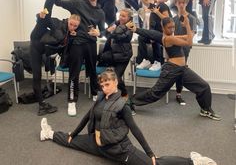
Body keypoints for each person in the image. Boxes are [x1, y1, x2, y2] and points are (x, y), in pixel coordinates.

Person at [39, 68, 217, 165]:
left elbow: (135, 129)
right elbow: (87, 116)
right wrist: (74, 133)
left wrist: (150, 152)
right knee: (70, 141)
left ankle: (193, 161)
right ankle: (49, 133)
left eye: (108, 84)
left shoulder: (122, 105)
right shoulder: (101, 98)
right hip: (97, 143)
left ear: (116, 82)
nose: (105, 88)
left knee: (154, 164)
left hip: (118, 148)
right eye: (102, 85)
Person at [126, 17, 221, 121]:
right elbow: (189, 42)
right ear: (163, 27)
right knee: (155, 93)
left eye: (173, 27)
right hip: (171, 70)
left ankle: (206, 109)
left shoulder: (171, 36)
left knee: (204, 86)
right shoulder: (168, 38)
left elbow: (151, 33)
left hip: (182, 69)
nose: (171, 30)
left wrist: (137, 29)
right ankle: (130, 101)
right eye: (169, 27)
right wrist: (188, 25)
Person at [53, 0, 105, 116]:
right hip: (77, 44)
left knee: (92, 70)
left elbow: (103, 31)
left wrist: (99, 33)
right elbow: (58, 2)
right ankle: (71, 101)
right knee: (74, 73)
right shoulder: (77, 3)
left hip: (91, 44)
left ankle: (95, 93)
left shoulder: (100, 12)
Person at [30, 0, 80, 116]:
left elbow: (64, 50)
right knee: (45, 15)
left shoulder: (69, 35)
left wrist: (70, 39)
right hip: (37, 37)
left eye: (75, 26)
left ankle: (41, 105)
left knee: (37, 76)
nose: (72, 27)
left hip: (41, 46)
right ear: (68, 21)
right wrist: (40, 17)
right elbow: (46, 20)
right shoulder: (60, 23)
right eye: (71, 24)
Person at [100, 8, 133, 97]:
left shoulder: (131, 27)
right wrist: (109, 31)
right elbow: (107, 34)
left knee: (117, 77)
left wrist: (112, 31)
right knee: (110, 77)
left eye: (124, 16)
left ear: (129, 18)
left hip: (123, 56)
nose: (121, 18)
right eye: (120, 15)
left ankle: (125, 94)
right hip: (113, 55)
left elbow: (120, 37)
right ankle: (112, 95)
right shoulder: (116, 23)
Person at [136, 0, 171, 70]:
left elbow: (167, 19)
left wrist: (157, 12)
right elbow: (143, 0)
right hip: (153, 32)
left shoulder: (163, 6)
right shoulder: (155, 6)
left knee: (154, 38)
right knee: (141, 38)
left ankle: (157, 62)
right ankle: (146, 60)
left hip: (163, 34)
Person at [172, 0, 197, 105]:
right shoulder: (173, 19)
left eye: (183, 3)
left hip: (185, 49)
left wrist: (174, 38)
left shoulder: (191, 18)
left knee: (181, 71)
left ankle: (178, 94)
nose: (181, 5)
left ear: (186, 3)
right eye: (179, 3)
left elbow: (190, 36)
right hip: (173, 48)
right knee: (172, 70)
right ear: (176, 4)